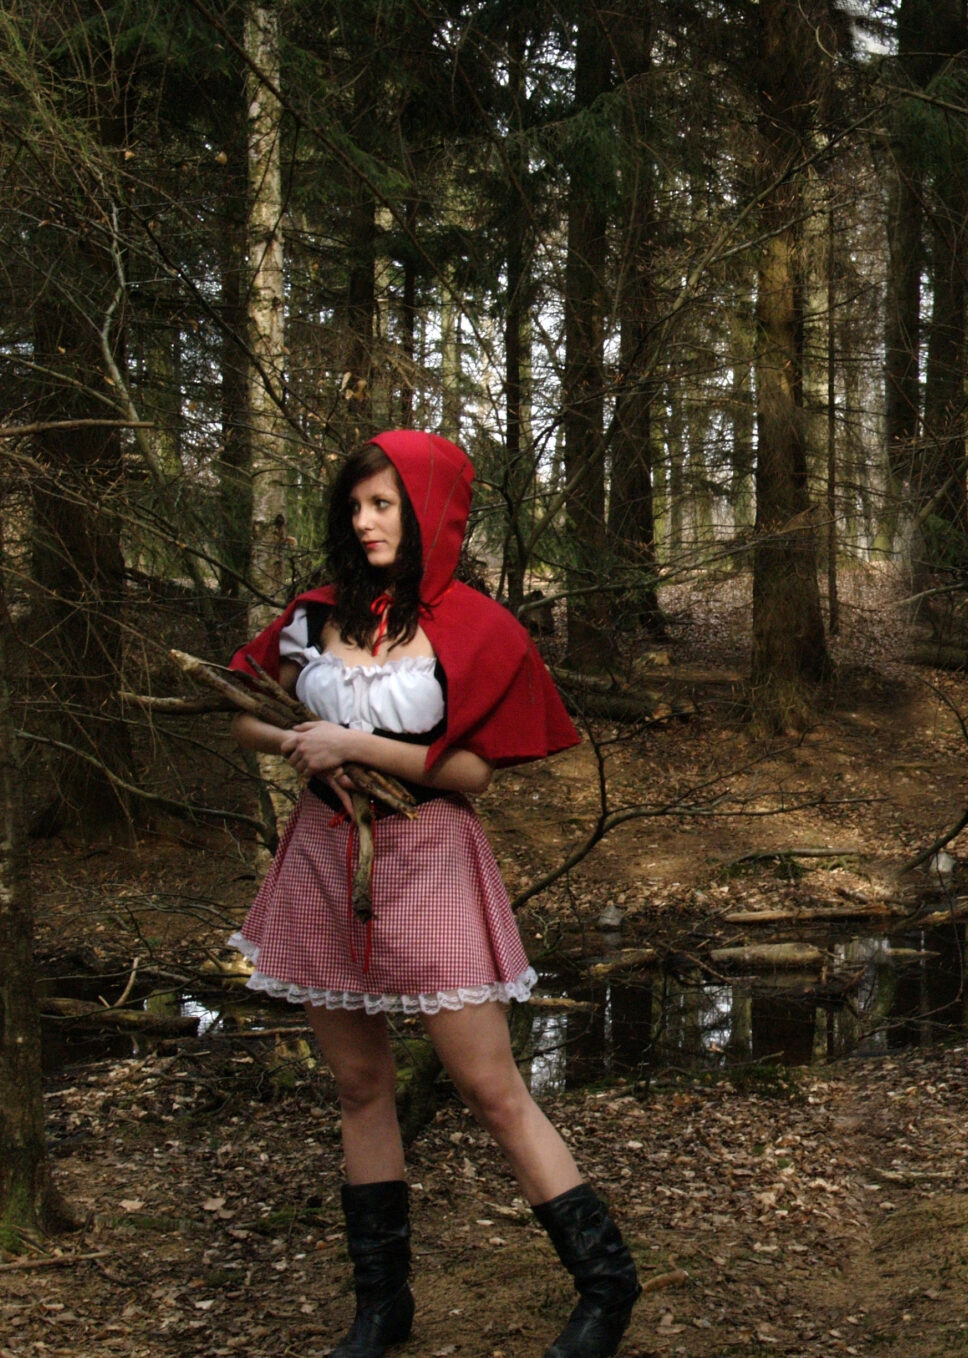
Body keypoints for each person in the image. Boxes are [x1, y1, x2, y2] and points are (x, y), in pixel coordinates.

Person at [227, 431, 638, 1358]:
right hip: (324, 854)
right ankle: (382, 1309)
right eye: (355, 507)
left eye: (384, 505)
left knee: (491, 1088)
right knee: (359, 1087)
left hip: (429, 855)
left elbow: (472, 771)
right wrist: (295, 742)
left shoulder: (477, 629)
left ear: (430, 513)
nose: (365, 523)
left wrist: (351, 743)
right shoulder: (316, 616)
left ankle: (607, 1286)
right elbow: (245, 710)